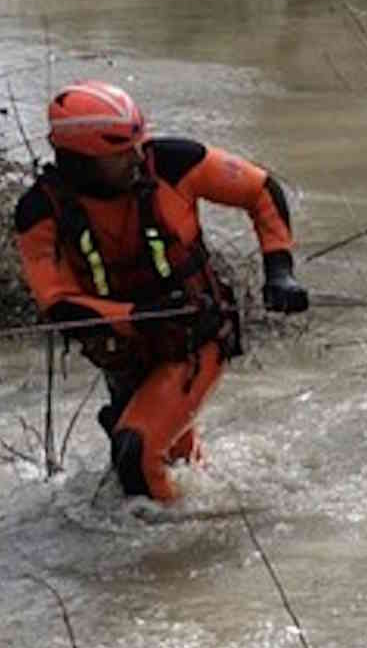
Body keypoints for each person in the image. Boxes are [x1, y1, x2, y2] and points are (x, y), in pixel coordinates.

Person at [12, 80, 309, 501]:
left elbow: (260, 190)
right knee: (168, 459)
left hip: (196, 334)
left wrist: (279, 271)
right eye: (120, 154)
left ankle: (164, 551)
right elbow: (58, 304)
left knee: (134, 452)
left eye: (138, 144)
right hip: (125, 351)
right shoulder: (38, 213)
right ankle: (200, 512)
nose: (137, 157)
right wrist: (136, 316)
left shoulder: (174, 162)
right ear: (79, 161)